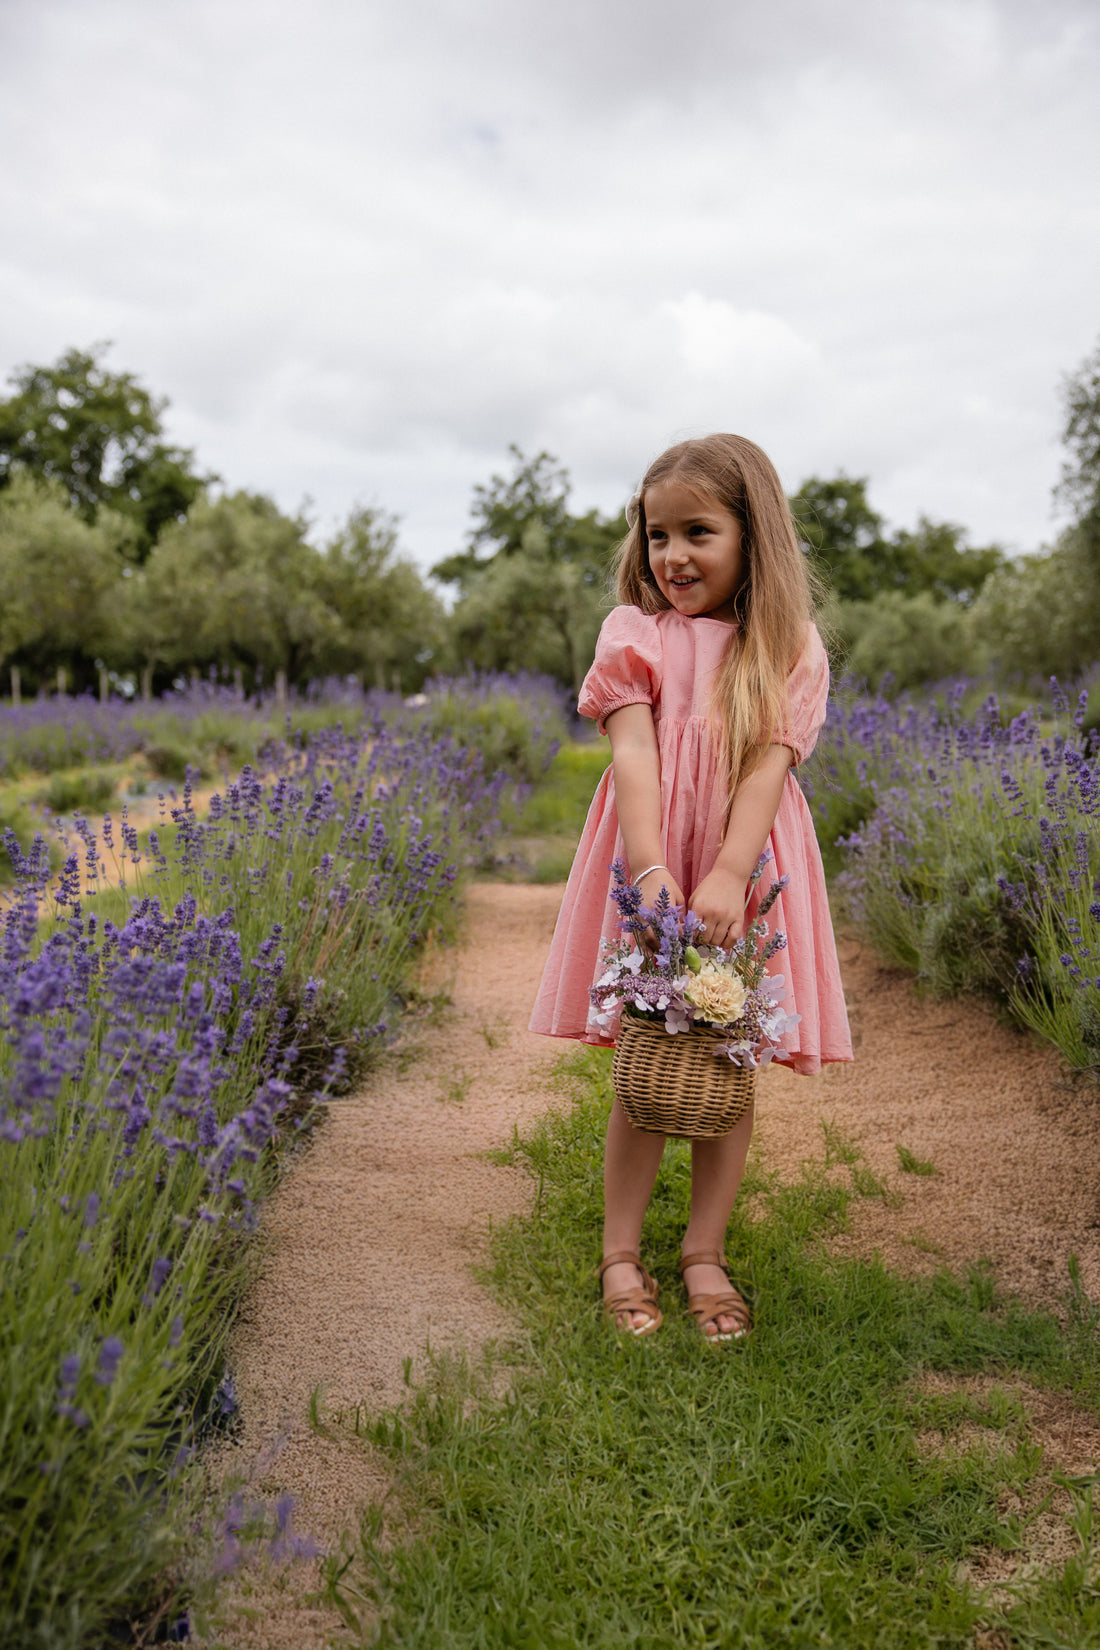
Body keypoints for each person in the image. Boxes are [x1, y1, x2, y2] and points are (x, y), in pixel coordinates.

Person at [529, 433, 852, 1342]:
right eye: (657, 532)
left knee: (725, 1062)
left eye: (698, 532)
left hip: (744, 857)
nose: (673, 555)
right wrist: (655, 867)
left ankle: (704, 1252)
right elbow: (635, 751)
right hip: (655, 858)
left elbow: (769, 766)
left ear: (755, 537)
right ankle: (620, 1253)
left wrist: (729, 871)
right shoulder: (635, 634)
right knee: (648, 1058)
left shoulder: (787, 645)